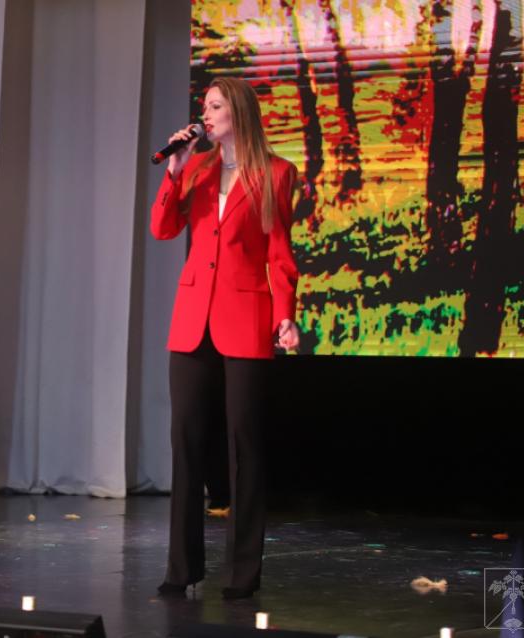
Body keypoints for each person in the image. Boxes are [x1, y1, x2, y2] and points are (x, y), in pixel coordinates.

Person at [150, 77, 300, 599]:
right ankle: (182, 569)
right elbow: (163, 229)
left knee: (244, 447)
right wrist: (174, 168)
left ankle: (242, 575)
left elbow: (279, 252)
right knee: (186, 443)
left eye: (215, 106)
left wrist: (285, 314)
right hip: (193, 318)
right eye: (204, 106)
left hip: (246, 316)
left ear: (238, 111)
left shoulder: (277, 173)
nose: (205, 114)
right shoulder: (194, 168)